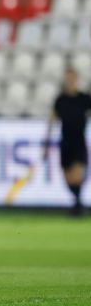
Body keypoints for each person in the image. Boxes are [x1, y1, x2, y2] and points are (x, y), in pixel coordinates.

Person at [44, 68, 91, 217]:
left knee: (77, 175)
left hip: (79, 141)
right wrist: (47, 140)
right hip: (65, 142)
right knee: (68, 178)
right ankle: (77, 204)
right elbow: (52, 119)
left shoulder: (84, 98)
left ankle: (77, 207)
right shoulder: (60, 100)